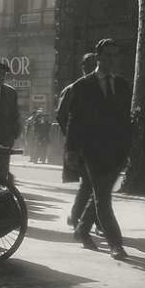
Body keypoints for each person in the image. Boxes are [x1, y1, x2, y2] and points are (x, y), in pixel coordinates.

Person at [67, 39, 132, 260]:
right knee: (103, 198)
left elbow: (126, 120)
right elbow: (74, 121)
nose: (111, 61)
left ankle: (82, 230)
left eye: (115, 56)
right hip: (92, 151)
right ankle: (116, 244)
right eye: (107, 56)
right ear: (98, 57)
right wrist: (72, 151)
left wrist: (129, 147)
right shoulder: (83, 86)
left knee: (100, 194)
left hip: (117, 152)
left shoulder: (124, 85)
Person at [57, 52, 98, 229]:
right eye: (89, 65)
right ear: (83, 68)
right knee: (91, 183)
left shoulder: (103, 87)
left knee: (96, 183)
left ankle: (89, 218)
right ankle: (78, 217)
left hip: (99, 144)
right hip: (80, 145)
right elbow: (61, 115)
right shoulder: (74, 89)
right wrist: (73, 135)